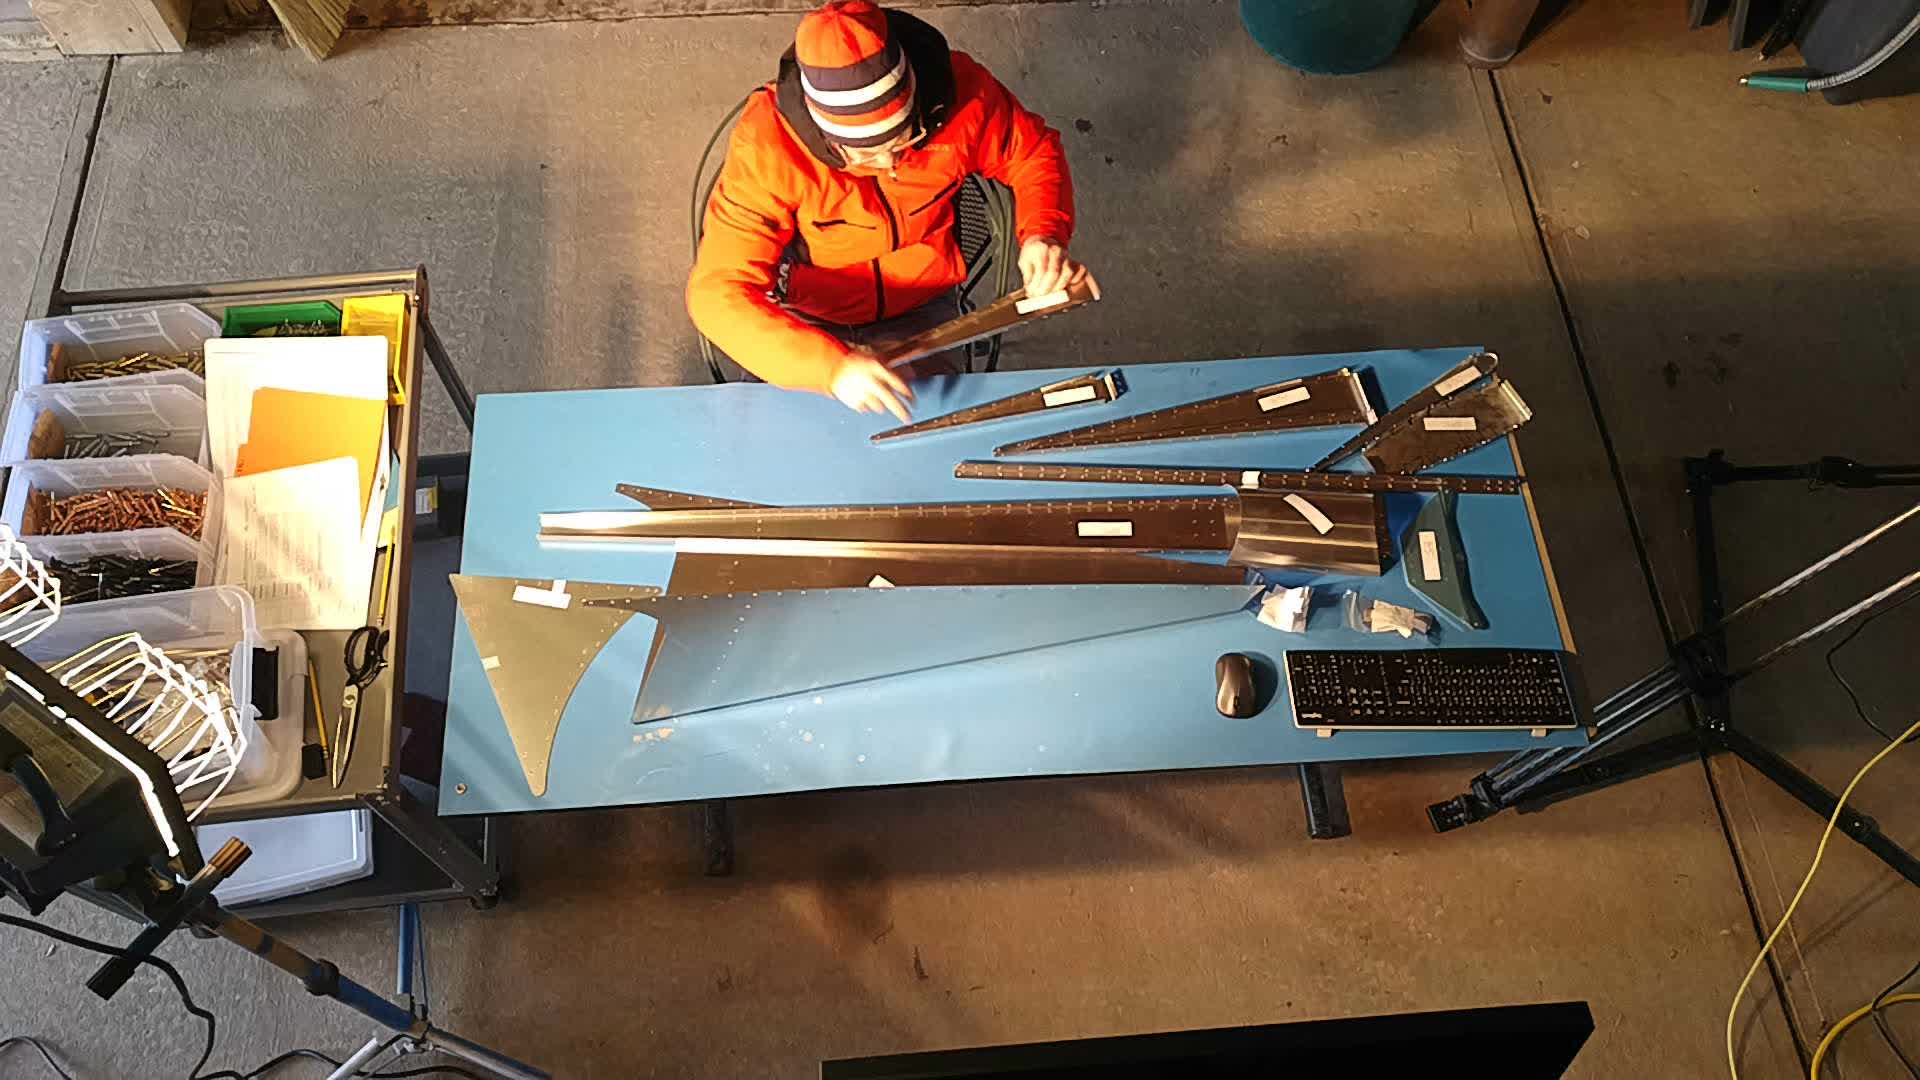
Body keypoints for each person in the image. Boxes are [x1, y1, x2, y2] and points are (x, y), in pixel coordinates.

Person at [687, 0, 1094, 422]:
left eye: (904, 139)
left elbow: (1031, 152)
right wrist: (828, 367)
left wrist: (1043, 232)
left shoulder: (963, 93)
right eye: (863, 155)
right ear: (824, 137)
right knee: (785, 437)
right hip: (809, 317)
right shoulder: (767, 146)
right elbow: (718, 292)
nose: (888, 163)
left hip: (921, 309)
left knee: (936, 429)